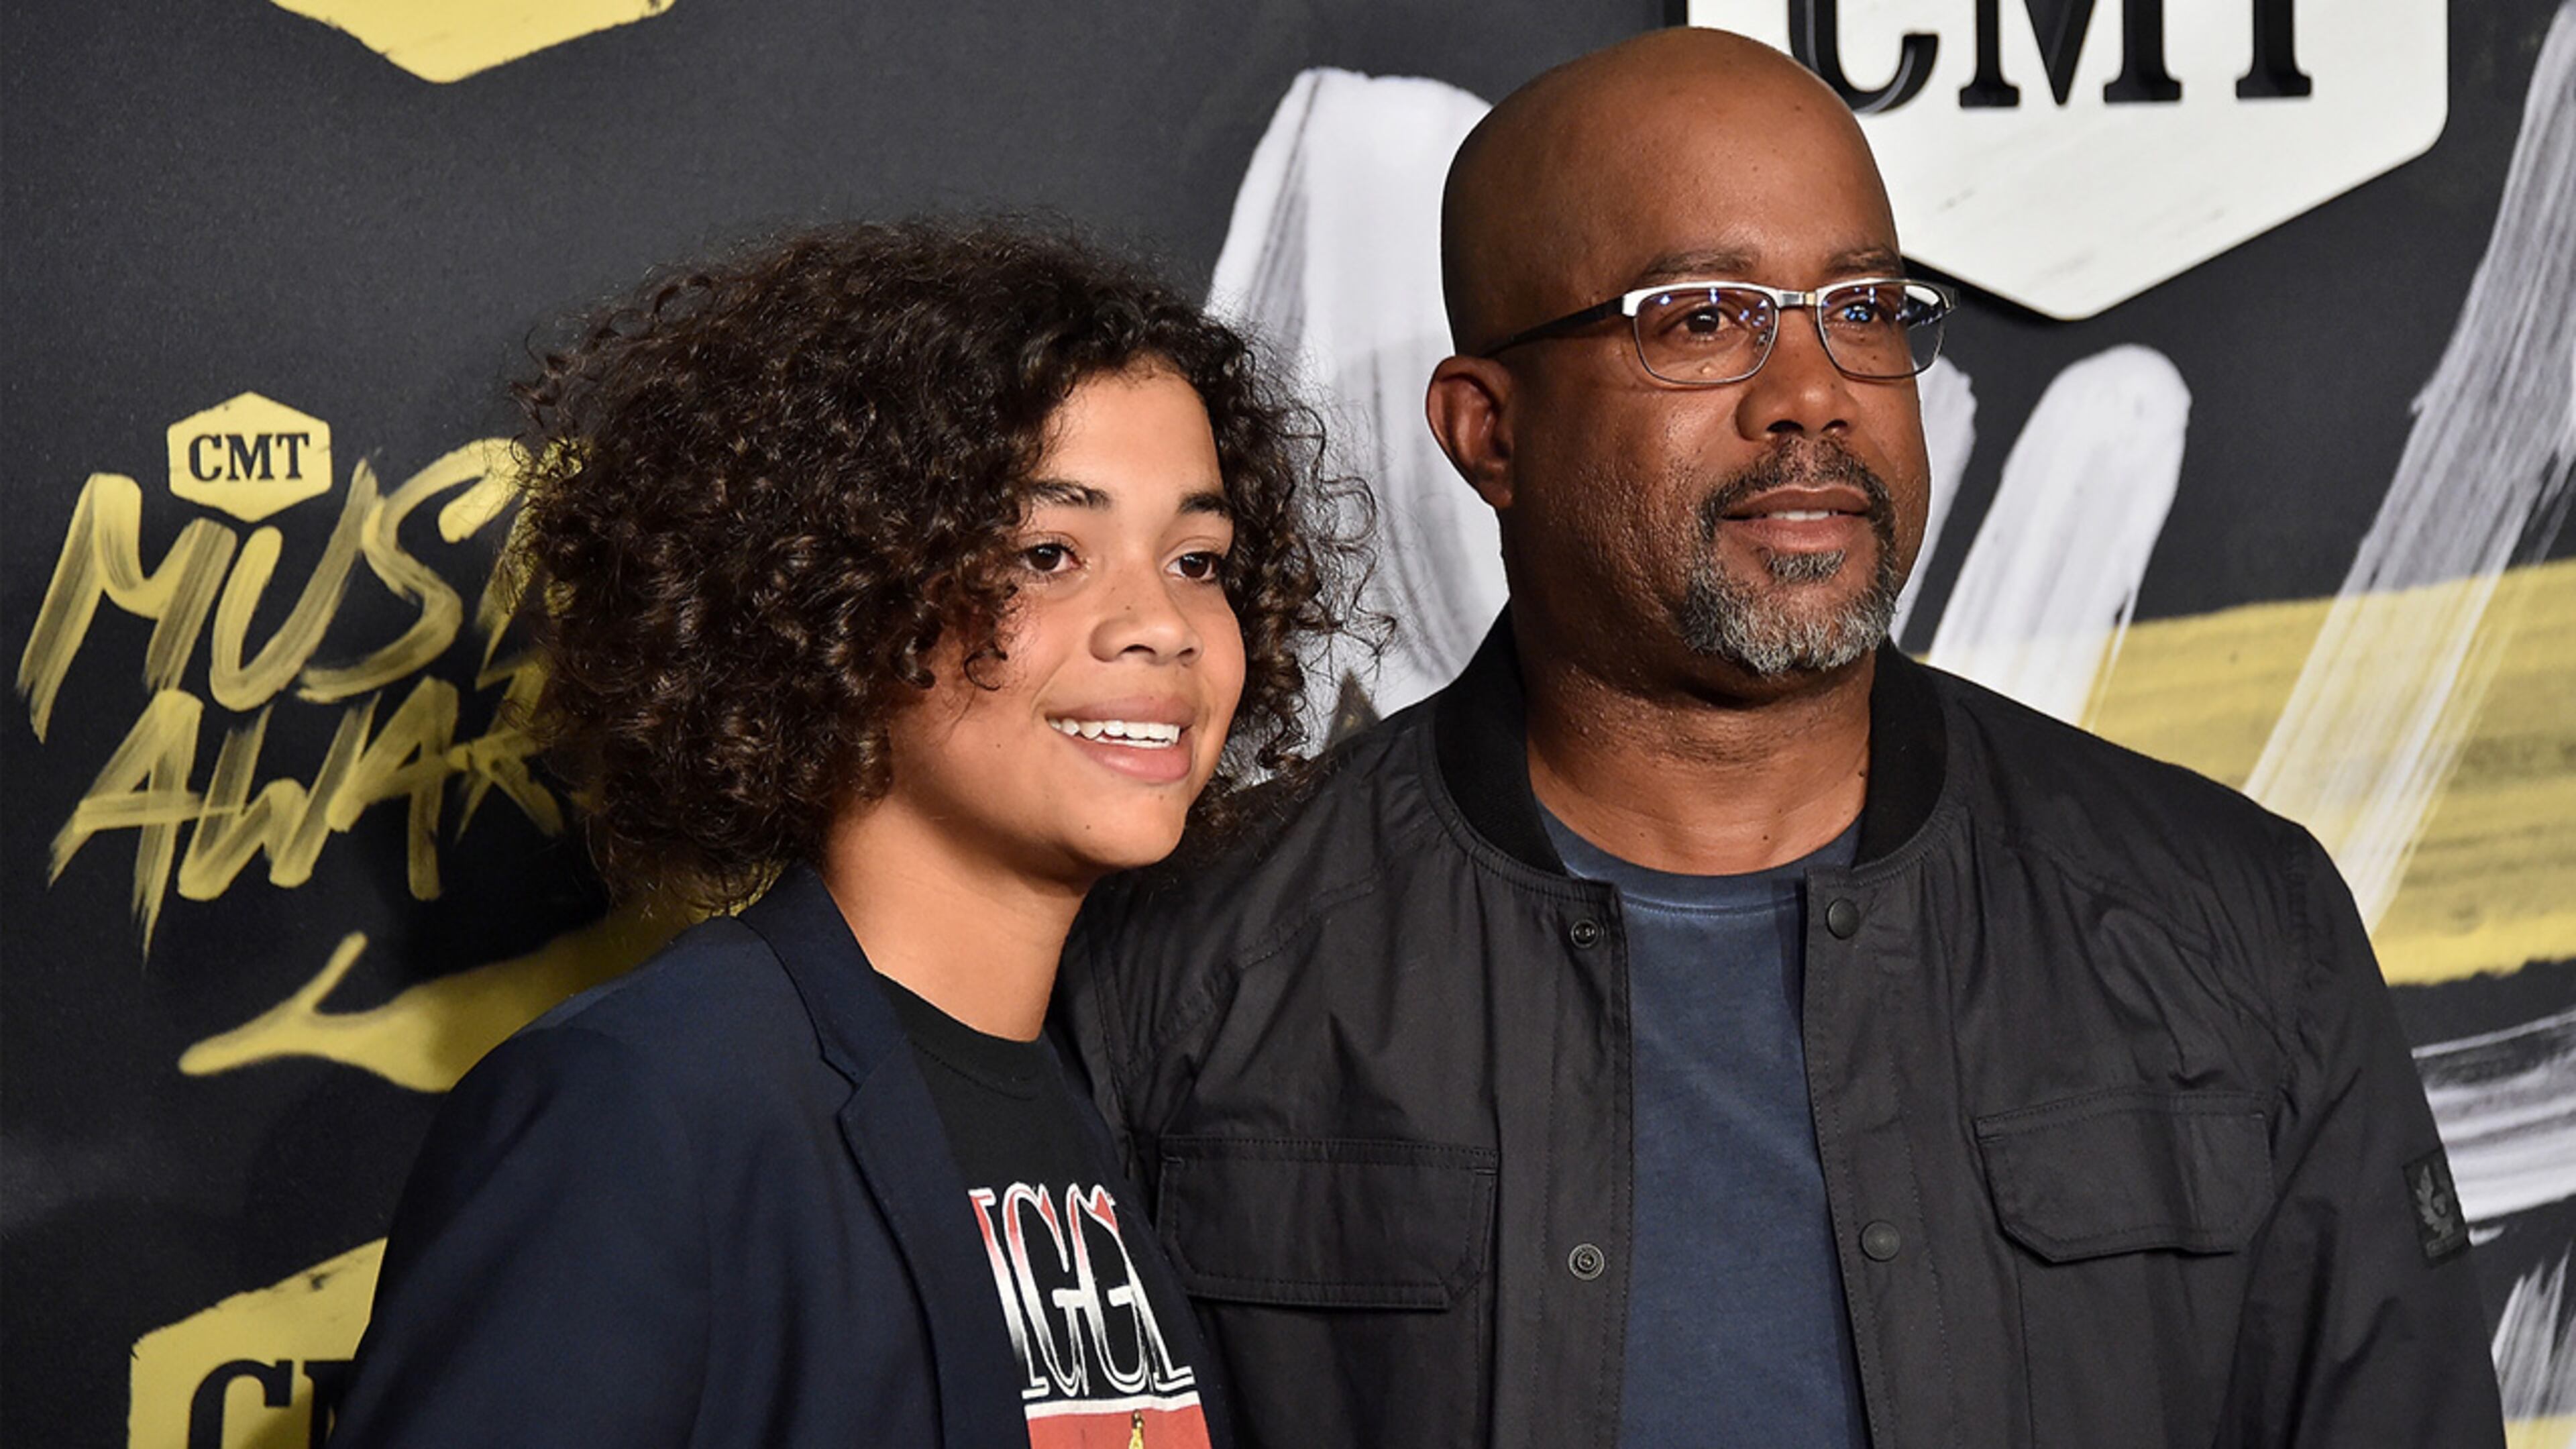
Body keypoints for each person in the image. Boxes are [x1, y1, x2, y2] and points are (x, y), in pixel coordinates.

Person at [1061, 29, 2507, 1449]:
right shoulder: (1189, 967)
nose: (1813, 393)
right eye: (1700, 317)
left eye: (1866, 309)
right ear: (1487, 431)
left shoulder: (2237, 927)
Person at [331, 221, 1356, 1448]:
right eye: (1048, 551)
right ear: (833, 597)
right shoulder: (639, 1108)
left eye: (1198, 559)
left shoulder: (1101, 1098)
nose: (1162, 625)